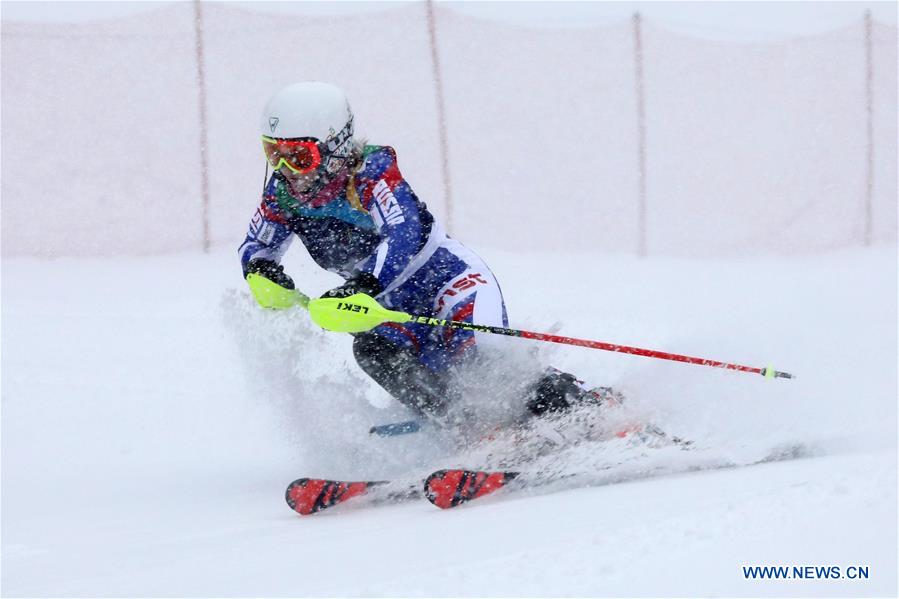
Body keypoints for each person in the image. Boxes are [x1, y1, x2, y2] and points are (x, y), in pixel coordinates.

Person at [239, 82, 605, 425]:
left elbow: (402, 232)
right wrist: (259, 269)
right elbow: (257, 244)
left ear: (336, 147)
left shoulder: (371, 174)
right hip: (389, 305)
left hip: (449, 281)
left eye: (300, 157)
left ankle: (587, 407)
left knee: (482, 362)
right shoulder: (282, 195)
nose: (286, 171)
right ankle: (462, 425)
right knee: (373, 350)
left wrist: (362, 284)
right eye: (274, 154)